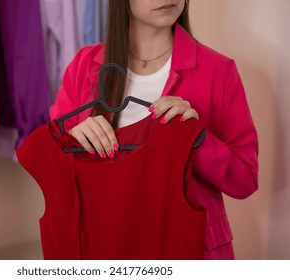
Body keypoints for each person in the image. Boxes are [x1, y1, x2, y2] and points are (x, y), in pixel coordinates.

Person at [49, 0, 258, 260]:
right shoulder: (83, 65)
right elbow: (51, 168)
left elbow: (245, 180)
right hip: (105, 247)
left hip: (191, 250)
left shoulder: (218, 70)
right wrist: (74, 142)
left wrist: (197, 139)